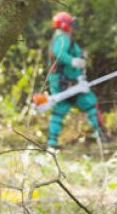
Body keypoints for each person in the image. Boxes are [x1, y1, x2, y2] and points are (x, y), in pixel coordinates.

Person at [45, 11, 105, 149]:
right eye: (71, 24)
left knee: (60, 109)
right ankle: (101, 135)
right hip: (66, 82)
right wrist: (73, 61)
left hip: (65, 82)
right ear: (65, 25)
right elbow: (58, 54)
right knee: (90, 104)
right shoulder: (62, 39)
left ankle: (52, 142)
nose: (73, 27)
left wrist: (81, 55)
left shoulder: (63, 38)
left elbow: (73, 52)